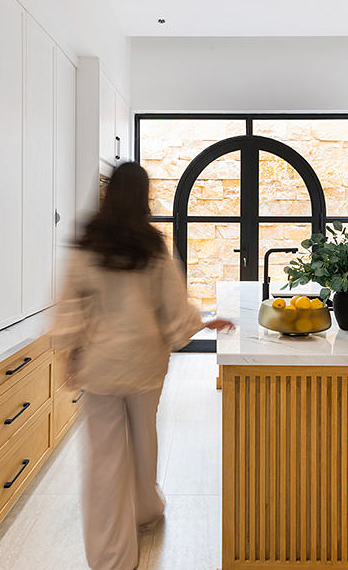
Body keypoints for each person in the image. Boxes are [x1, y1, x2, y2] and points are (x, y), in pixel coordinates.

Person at [52, 162, 234, 570]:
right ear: (143, 196)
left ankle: (112, 558)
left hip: (101, 365)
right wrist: (201, 323)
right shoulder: (152, 245)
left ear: (107, 193)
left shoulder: (88, 243)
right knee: (144, 440)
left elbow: (71, 305)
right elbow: (172, 308)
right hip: (146, 364)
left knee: (105, 460)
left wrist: (70, 352)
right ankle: (147, 509)